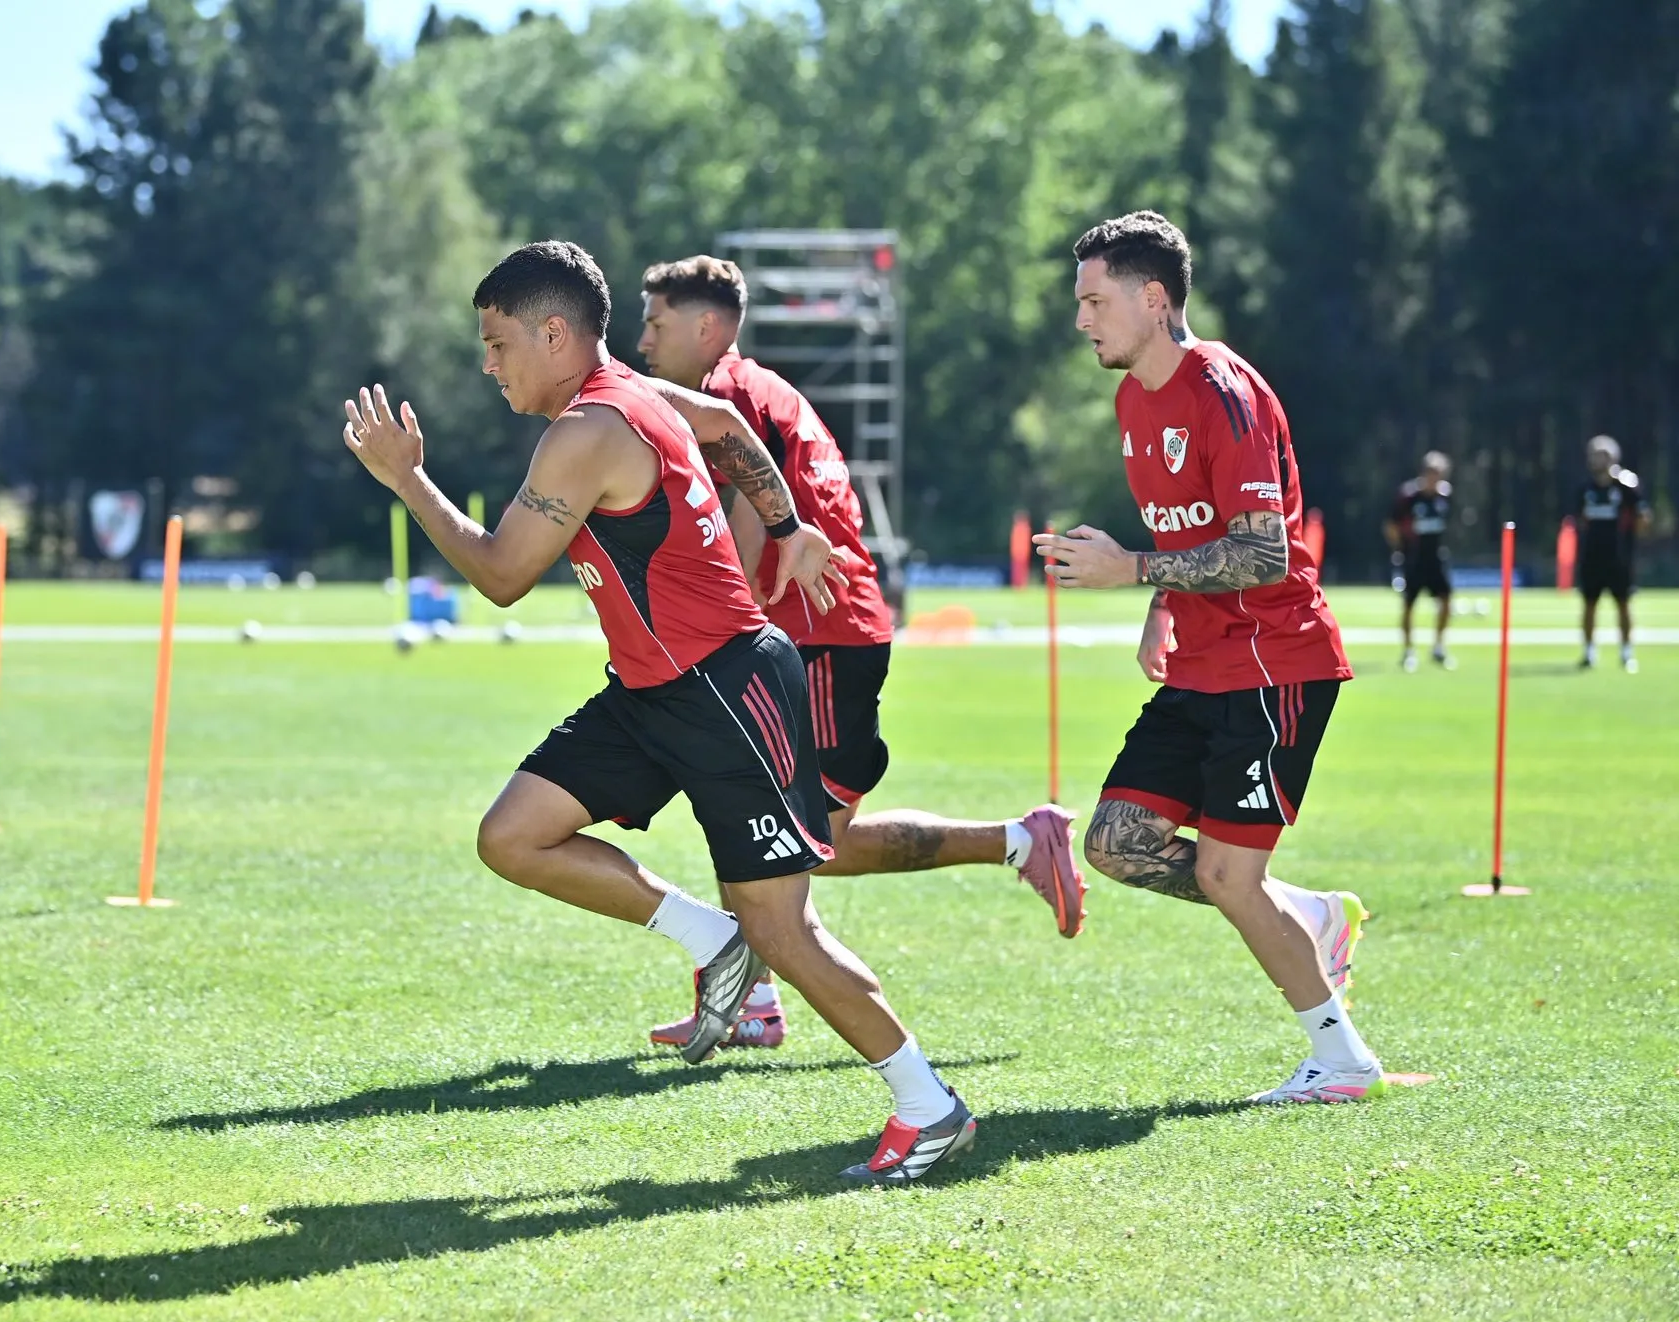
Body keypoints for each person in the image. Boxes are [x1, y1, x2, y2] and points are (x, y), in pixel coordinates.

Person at [342, 240, 977, 1183]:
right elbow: (726, 422)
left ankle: (930, 1108)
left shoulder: (590, 428)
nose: (488, 364)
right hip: (650, 692)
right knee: (514, 836)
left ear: (555, 335)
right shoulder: (643, 392)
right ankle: (707, 936)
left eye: (497, 342)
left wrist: (407, 479)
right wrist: (790, 524)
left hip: (726, 692)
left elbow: (504, 575)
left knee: (784, 930)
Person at [632, 253, 1085, 1053]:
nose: (643, 342)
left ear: (707, 327)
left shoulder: (727, 395)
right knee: (767, 822)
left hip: (817, 636)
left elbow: (740, 527)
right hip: (818, 633)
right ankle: (756, 995)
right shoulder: (753, 389)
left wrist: (717, 631)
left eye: (657, 323)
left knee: (792, 837)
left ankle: (1015, 845)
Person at [1035, 211, 1381, 1104]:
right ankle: (1302, 911)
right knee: (1116, 842)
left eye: (1095, 300)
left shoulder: (1225, 391)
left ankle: (1342, 1060)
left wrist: (1132, 569)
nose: (1082, 320)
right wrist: (1159, 603)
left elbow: (1266, 551)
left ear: (1154, 299)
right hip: (1203, 664)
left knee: (1230, 874)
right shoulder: (1131, 399)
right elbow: (1192, 525)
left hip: (1276, 665)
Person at [1577, 435, 1644, 673]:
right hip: (1592, 556)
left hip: (1619, 558)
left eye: (1603, 455)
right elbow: (1579, 521)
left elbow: (1642, 517)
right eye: (1595, 455)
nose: (1599, 460)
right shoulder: (1585, 488)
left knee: (1623, 604)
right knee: (1589, 604)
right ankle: (1588, 652)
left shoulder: (1626, 486)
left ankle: (1627, 653)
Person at [1384, 451, 1455, 672]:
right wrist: (1400, 548)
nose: (1436, 479)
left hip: (1436, 559)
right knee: (1408, 604)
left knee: (1445, 600)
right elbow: (1391, 525)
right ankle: (1408, 651)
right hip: (1413, 559)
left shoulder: (1444, 496)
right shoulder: (1409, 497)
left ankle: (1439, 647)